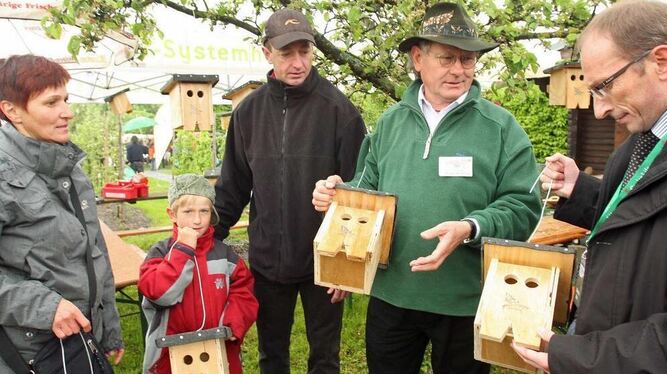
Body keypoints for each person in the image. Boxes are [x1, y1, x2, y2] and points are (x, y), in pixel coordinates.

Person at [313, 3, 542, 373]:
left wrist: (470, 227)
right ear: (418, 58)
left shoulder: (501, 128)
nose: (458, 70)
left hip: (464, 300)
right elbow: (369, 191)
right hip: (392, 296)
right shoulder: (390, 123)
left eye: (467, 60)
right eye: (447, 58)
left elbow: (523, 206)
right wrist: (340, 193)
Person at [513, 1, 667, 372]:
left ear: (661, 62)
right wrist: (580, 191)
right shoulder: (637, 146)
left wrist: (587, 358)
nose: (598, 111)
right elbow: (640, 222)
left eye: (605, 86)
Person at [214, 8, 367, 373]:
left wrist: (346, 266)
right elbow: (233, 186)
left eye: (305, 52)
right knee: (272, 355)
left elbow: (363, 192)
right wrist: (206, 240)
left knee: (325, 358)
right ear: (267, 52)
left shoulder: (340, 111)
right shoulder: (247, 113)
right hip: (267, 260)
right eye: (287, 53)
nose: (298, 63)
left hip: (325, 262)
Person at [0, 54, 124, 372]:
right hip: (28, 351)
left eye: (66, 99)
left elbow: (92, 252)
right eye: (51, 102)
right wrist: (45, 306)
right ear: (11, 110)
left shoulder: (68, 169)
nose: (67, 112)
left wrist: (107, 325)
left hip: (78, 341)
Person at [139, 173, 258, 374]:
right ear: (172, 214)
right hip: (170, 357)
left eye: (204, 211)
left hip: (220, 353)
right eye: (188, 211)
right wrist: (183, 250)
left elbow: (244, 294)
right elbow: (160, 294)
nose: (197, 220)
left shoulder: (225, 256)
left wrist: (231, 324)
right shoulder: (160, 253)